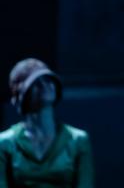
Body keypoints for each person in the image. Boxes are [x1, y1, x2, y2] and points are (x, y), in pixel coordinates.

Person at [0, 58, 95, 188]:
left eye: (48, 80)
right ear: (21, 95)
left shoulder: (77, 140)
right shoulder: (6, 143)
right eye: (36, 83)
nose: (45, 85)